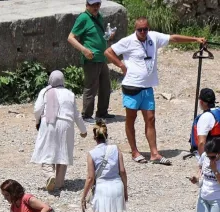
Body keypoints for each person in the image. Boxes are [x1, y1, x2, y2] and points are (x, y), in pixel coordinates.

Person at [105, 17, 205, 165]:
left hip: (147, 87)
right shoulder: (128, 41)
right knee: (131, 119)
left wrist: (195, 39)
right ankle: (134, 151)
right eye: (140, 30)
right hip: (132, 86)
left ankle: (154, 153)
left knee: (150, 119)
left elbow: (173, 39)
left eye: (146, 29)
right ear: (135, 29)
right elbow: (108, 52)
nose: (143, 32)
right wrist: (121, 65)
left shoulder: (154, 37)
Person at [32, 71, 88, 193]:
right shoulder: (70, 94)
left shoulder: (45, 91)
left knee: (47, 150)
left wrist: (37, 121)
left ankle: (49, 175)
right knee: (63, 152)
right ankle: (59, 182)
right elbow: (77, 115)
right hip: (66, 124)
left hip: (49, 123)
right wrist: (83, 130)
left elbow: (37, 109)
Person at [68, 0, 116, 123]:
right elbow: (71, 38)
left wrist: (108, 36)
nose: (96, 7)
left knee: (105, 86)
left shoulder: (98, 17)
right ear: (87, 5)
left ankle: (102, 112)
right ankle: (86, 115)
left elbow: (98, 36)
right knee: (91, 87)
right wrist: (84, 50)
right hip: (91, 59)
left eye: (98, 5)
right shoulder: (83, 18)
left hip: (102, 57)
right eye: (93, 5)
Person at [190, 88, 220, 157]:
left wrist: (202, 161)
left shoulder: (205, 117)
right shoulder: (218, 111)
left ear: (201, 102)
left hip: (211, 157)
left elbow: (201, 143)